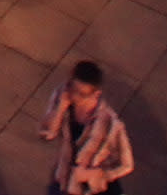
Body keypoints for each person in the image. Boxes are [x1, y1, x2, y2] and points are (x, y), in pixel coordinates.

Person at [40, 61, 134, 195]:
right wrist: (60, 110)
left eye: (82, 94)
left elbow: (127, 164)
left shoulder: (110, 124)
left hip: (93, 189)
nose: (74, 97)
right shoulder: (62, 95)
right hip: (64, 181)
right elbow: (47, 133)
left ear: (96, 94)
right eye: (72, 90)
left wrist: (94, 174)